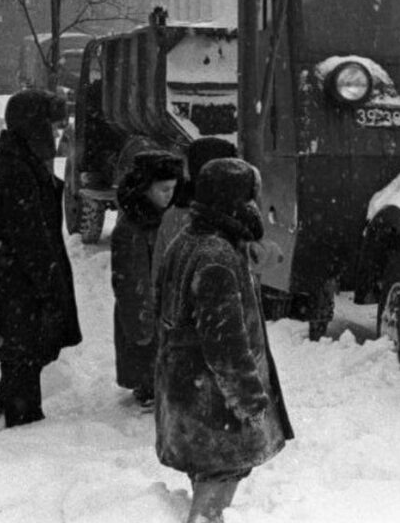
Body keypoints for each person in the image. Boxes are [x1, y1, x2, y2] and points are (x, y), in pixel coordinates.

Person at [154, 158, 293, 523]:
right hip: (211, 404)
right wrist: (250, 401)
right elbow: (225, 348)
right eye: (252, 198)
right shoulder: (216, 258)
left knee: (208, 476)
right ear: (239, 203)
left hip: (186, 393)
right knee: (217, 485)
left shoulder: (188, 242)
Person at [0, 89, 82, 427]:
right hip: (18, 282)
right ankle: (21, 427)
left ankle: (4, 410)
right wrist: (50, 288)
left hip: (17, 278)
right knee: (23, 355)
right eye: (54, 127)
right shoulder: (15, 167)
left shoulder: (21, 159)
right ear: (35, 126)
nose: (58, 135)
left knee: (23, 355)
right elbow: (30, 238)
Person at [112, 149, 184, 407]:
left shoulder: (163, 219)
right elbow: (130, 282)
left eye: (173, 188)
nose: (170, 195)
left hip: (160, 310)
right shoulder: (132, 228)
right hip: (144, 309)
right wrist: (141, 322)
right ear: (145, 188)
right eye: (164, 189)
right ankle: (146, 390)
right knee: (146, 360)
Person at [147, 137, 239, 337]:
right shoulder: (224, 218)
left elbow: (158, 276)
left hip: (179, 330)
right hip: (215, 331)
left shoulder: (174, 215)